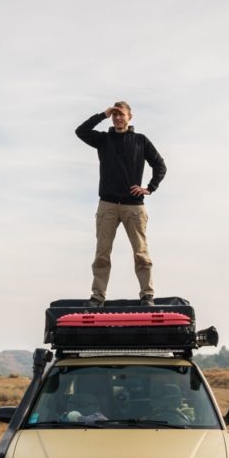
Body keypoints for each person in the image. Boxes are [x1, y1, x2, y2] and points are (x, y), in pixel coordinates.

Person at [75, 101, 167, 308]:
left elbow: (160, 165)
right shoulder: (103, 140)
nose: (117, 118)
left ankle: (147, 296)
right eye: (114, 114)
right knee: (101, 255)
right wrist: (102, 114)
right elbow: (81, 131)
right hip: (107, 205)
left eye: (121, 114)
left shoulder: (140, 141)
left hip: (134, 207)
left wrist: (149, 188)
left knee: (141, 254)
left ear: (129, 117)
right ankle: (97, 297)